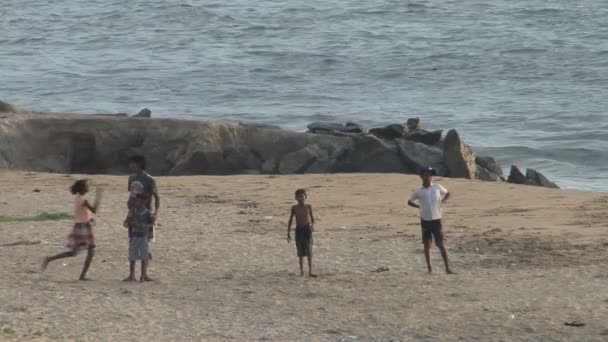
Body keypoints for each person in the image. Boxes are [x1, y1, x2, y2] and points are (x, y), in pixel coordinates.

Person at [41, 179, 99, 280]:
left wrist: (90, 218)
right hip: (84, 227)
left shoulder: (78, 199)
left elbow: (83, 212)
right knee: (90, 251)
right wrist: (98, 198)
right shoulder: (84, 200)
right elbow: (94, 210)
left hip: (79, 226)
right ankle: (82, 276)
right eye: (86, 186)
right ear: (82, 189)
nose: (88, 188)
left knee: (74, 252)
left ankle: (50, 259)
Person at [408, 167, 454, 274]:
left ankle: (447, 268)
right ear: (421, 176)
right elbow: (409, 201)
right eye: (426, 175)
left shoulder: (437, 187)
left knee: (441, 244)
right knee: (427, 245)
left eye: (430, 175)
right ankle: (430, 269)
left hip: (437, 220)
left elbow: (448, 193)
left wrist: (442, 202)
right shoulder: (418, 191)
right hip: (425, 220)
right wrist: (419, 207)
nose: (428, 177)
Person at [127, 155, 160, 259]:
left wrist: (156, 213)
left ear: (140, 164)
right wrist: (129, 209)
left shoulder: (149, 180)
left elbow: (157, 198)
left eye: (133, 163)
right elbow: (132, 194)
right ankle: (132, 273)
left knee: (145, 239)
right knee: (132, 238)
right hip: (133, 212)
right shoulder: (131, 178)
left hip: (145, 213)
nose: (130, 165)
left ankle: (144, 269)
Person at [123, 194, 155, 282]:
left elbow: (152, 223)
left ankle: (143, 275)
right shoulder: (132, 211)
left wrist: (145, 226)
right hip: (135, 236)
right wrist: (129, 223)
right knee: (132, 256)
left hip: (144, 237)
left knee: (144, 256)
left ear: (144, 202)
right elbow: (126, 221)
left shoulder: (148, 212)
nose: (136, 203)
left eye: (138, 201)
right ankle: (132, 275)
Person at [287, 189, 316, 277]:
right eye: (299, 197)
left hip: (307, 229)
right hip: (299, 230)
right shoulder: (294, 208)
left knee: (309, 251)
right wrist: (288, 232)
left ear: (305, 197)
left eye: (302, 197)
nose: (300, 199)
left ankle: (310, 271)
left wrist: (311, 225)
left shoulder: (308, 207)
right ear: (296, 198)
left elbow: (312, 219)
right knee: (300, 252)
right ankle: (302, 272)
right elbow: (291, 220)